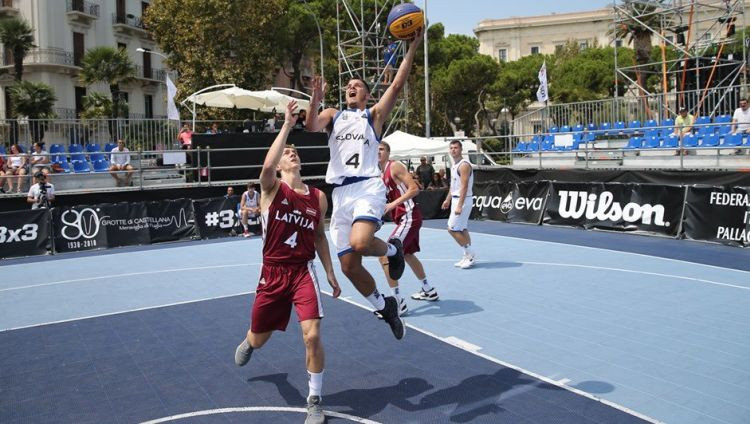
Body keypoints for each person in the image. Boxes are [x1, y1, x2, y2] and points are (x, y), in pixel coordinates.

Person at [306, 28, 423, 340]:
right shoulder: (333, 114)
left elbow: (397, 84)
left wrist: (413, 46)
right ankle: (385, 306)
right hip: (341, 193)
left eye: (357, 85)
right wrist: (315, 99)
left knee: (360, 243)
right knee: (348, 266)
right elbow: (310, 124)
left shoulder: (372, 116)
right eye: (348, 85)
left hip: (367, 187)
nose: (351, 87)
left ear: (368, 94)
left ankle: (393, 251)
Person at [234, 100, 340, 424]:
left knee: (312, 335)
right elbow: (265, 170)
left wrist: (331, 272)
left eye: (295, 152)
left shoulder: (317, 198)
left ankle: (315, 400)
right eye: (287, 153)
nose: (292, 153)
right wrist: (286, 126)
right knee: (259, 336)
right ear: (280, 165)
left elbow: (320, 237)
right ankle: (250, 341)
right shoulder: (271, 189)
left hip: (303, 272)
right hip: (272, 273)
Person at [377, 142, 439, 317]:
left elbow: (414, 189)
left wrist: (392, 205)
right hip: (404, 219)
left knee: (385, 254)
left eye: (381, 149)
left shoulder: (394, 166)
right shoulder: (380, 173)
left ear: (388, 153)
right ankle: (428, 289)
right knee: (408, 255)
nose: (377, 152)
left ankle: (397, 303)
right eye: (375, 150)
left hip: (409, 217)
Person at [441, 140, 476, 269]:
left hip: (463, 200)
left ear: (461, 150)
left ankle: (470, 254)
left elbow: (464, 186)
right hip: (456, 199)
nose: (453, 150)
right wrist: (447, 199)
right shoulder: (454, 165)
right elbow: (453, 186)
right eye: (451, 148)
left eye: (456, 148)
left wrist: (459, 205)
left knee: (451, 229)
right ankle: (467, 256)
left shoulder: (464, 165)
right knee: (462, 228)